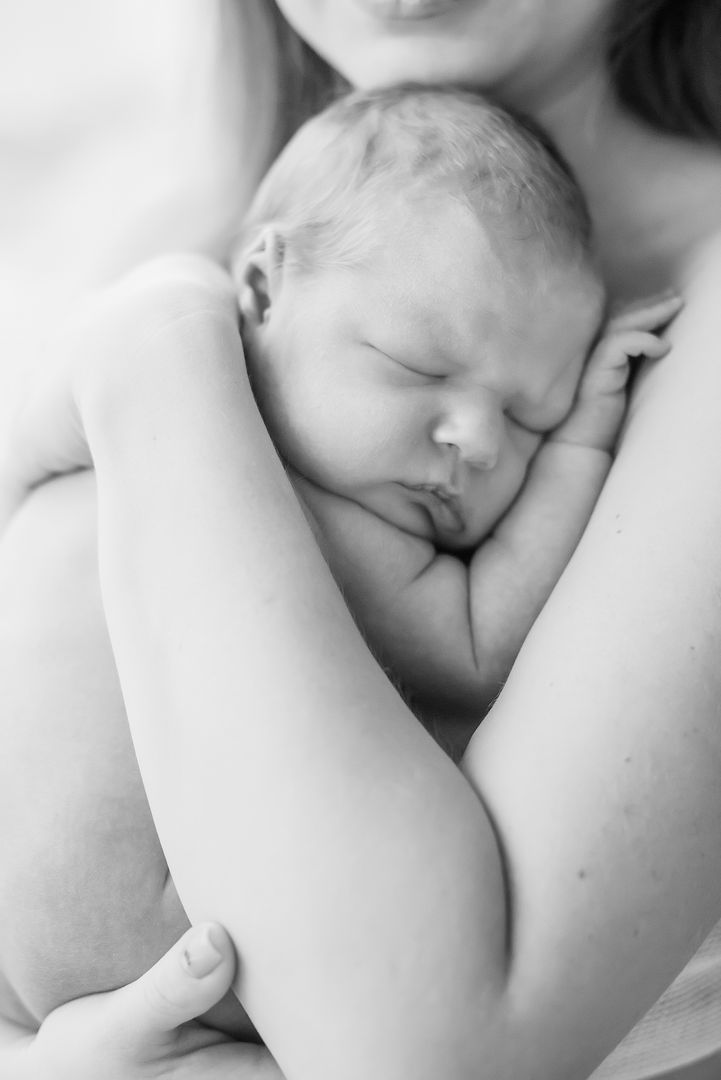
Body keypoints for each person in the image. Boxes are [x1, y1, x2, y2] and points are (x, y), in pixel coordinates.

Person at [1, 1, 721, 1079]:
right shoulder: (174, 231)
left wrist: (160, 359)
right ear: (265, 283)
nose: (480, 441)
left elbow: (426, 1047)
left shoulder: (167, 327)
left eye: (530, 415)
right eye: (412, 365)